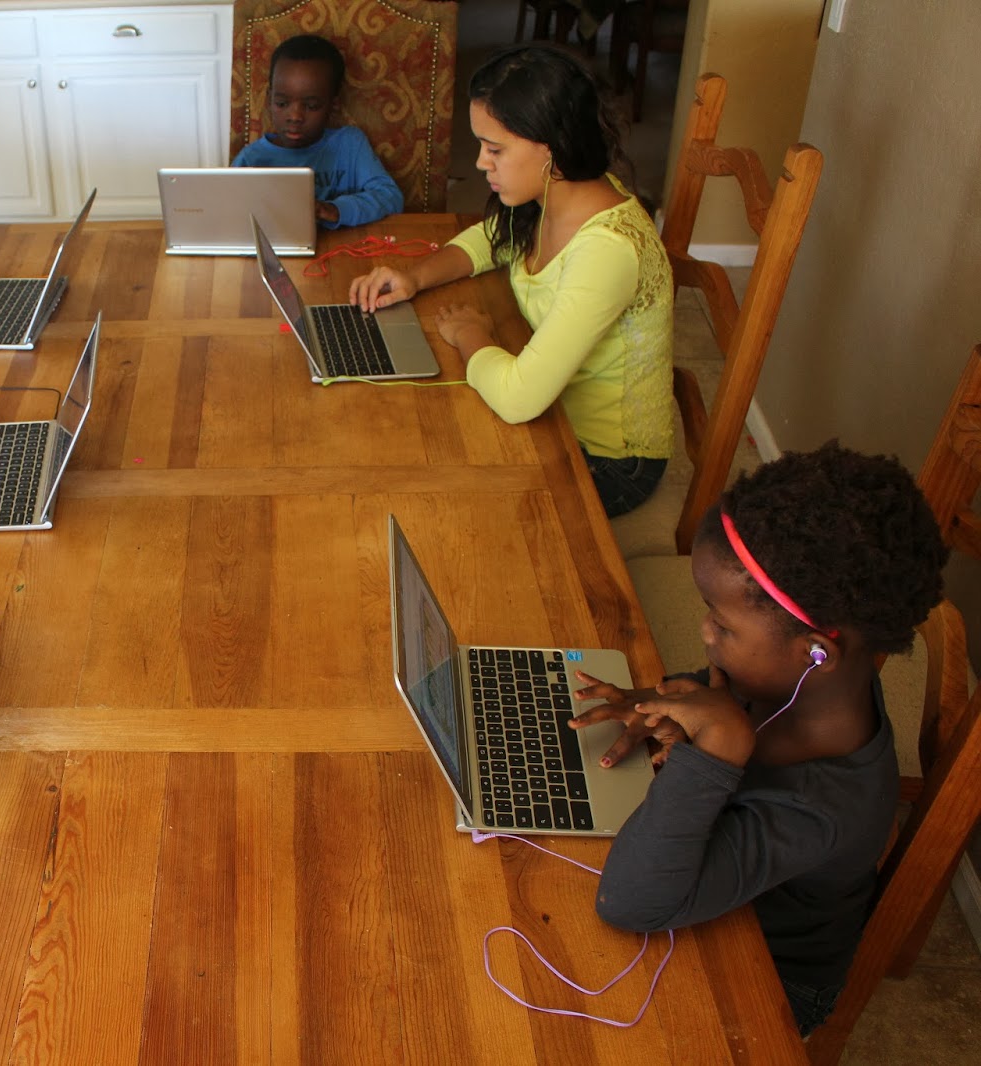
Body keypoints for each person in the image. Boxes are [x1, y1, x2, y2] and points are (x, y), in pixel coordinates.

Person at [568, 442, 948, 1034]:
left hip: (770, 977)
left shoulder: (821, 807)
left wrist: (713, 749)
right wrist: (661, 703)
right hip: (716, 893)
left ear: (816, 652)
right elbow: (730, 687)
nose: (704, 633)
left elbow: (630, 904)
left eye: (721, 624)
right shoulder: (814, 683)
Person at [349, 45, 672, 517]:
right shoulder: (555, 194)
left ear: (552, 147)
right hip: (551, 410)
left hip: (607, 460)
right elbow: (490, 239)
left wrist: (471, 335)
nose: (481, 162)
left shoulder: (606, 250)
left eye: (495, 149)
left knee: (440, 495)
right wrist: (413, 277)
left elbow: (519, 399)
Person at [231, 34, 403, 229]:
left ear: (334, 104)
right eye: (282, 103)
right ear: (269, 100)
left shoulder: (350, 145)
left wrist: (333, 210)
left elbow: (391, 197)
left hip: (346, 245)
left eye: (311, 106)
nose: (295, 116)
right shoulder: (251, 160)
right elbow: (228, 215)